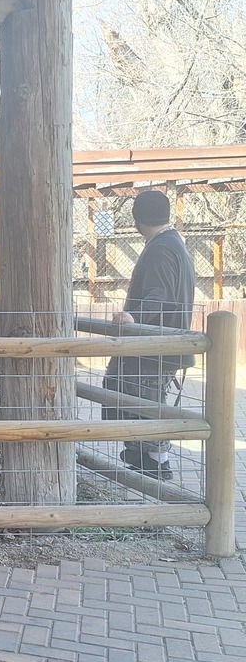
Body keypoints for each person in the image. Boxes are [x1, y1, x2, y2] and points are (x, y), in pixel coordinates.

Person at [104, 190, 196, 481]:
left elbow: (160, 294)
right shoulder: (173, 244)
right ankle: (147, 461)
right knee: (145, 400)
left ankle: (155, 465)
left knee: (144, 403)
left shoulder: (160, 248)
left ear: (137, 220)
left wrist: (134, 317)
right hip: (163, 343)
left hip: (153, 345)